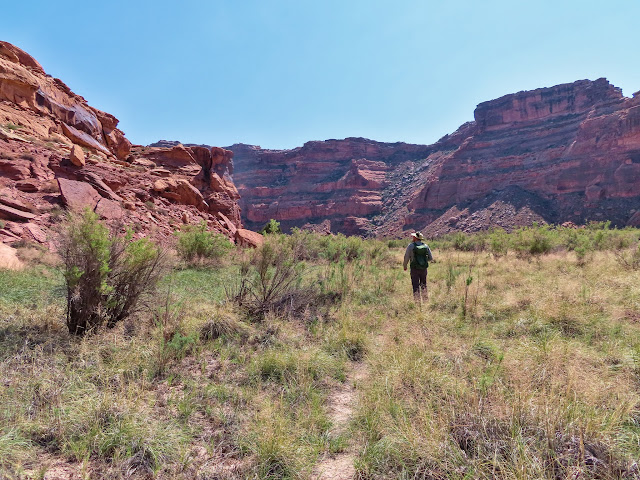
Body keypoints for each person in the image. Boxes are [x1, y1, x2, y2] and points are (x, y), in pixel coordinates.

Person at [403, 231, 433, 299]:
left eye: (413, 237)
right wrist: (423, 261)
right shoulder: (425, 246)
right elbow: (431, 258)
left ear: (415, 238)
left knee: (415, 285)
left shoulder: (411, 246)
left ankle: (417, 302)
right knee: (424, 285)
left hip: (414, 268)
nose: (412, 237)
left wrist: (405, 266)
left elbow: (406, 257)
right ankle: (425, 300)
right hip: (423, 269)